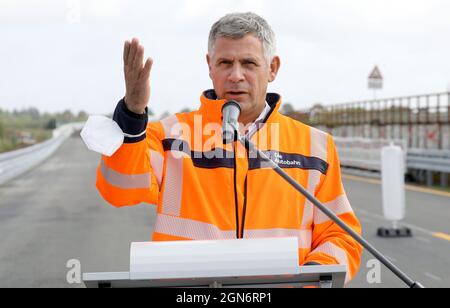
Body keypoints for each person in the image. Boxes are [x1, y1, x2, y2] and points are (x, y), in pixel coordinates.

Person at [96, 12, 362, 283]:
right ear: (209, 65)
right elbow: (119, 189)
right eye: (225, 62)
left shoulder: (315, 147)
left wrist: (310, 279)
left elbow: (341, 236)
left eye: (248, 63)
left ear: (272, 68)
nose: (236, 75)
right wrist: (132, 113)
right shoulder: (167, 136)